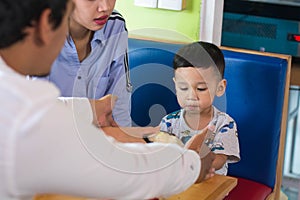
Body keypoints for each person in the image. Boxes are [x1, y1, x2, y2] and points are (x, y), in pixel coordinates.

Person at [0, 1, 215, 200]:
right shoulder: (28, 118)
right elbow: (122, 172)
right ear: (47, 23)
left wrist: (91, 108)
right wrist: (191, 164)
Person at [38, 0, 132, 126]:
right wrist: (92, 109)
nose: (105, 7)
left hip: (97, 140)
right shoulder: (35, 32)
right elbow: (34, 113)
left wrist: (127, 142)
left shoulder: (115, 25)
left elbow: (120, 111)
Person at [159, 41, 240, 175]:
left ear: (220, 88)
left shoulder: (225, 124)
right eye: (183, 88)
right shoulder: (169, 122)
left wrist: (196, 165)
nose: (191, 96)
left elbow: (220, 159)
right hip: (178, 182)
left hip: (209, 184)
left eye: (201, 89)